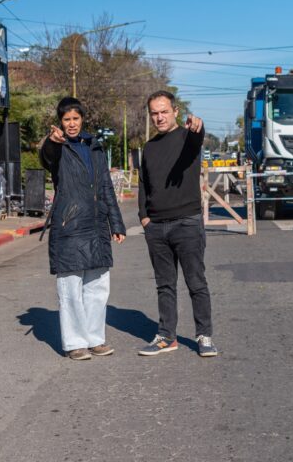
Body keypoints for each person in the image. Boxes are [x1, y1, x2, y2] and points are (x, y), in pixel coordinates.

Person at [40, 97, 126, 361]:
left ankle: (95, 339)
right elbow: (47, 156)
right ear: (60, 122)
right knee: (70, 289)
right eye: (66, 119)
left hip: (97, 225)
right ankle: (75, 343)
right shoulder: (58, 147)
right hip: (70, 225)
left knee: (98, 287)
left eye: (75, 118)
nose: (71, 124)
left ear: (83, 119)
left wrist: (116, 223)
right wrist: (51, 142)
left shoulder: (94, 146)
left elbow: (106, 187)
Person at [138, 90, 217, 357]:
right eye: (154, 113)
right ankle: (166, 336)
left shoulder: (187, 138)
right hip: (156, 227)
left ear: (175, 111)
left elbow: (197, 135)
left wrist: (198, 125)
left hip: (187, 223)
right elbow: (143, 184)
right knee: (165, 285)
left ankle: (204, 336)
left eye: (164, 112)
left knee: (196, 282)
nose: (159, 117)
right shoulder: (149, 147)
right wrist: (144, 217)